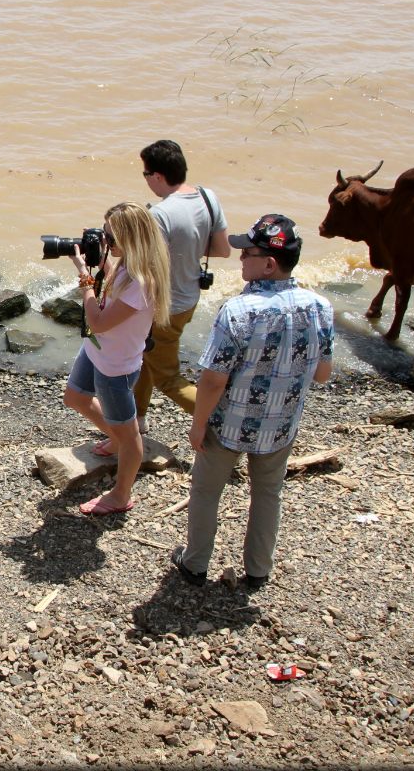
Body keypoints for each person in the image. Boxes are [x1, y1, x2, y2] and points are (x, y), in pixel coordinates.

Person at [172, 214, 333, 590]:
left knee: (206, 491)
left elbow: (213, 380)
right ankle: (258, 569)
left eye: (248, 253)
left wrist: (198, 424)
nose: (240, 257)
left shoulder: (238, 311)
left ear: (269, 263)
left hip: (228, 423)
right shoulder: (319, 308)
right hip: (281, 424)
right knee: (267, 494)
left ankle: (195, 564)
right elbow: (322, 373)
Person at [65, 202, 171, 516]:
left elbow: (97, 319)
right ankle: (115, 438)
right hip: (97, 350)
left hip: (115, 367)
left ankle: (121, 494)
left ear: (131, 238)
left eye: (110, 238)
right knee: (75, 397)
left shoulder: (142, 281)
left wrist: (84, 278)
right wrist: (99, 263)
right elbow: (111, 285)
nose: (106, 243)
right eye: (105, 236)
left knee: (131, 436)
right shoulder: (128, 264)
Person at [127, 139, 232, 442]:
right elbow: (223, 249)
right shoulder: (207, 197)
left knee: (168, 377)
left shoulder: (160, 214)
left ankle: (222, 422)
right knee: (146, 356)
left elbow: (145, 267)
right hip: (190, 299)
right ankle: (138, 418)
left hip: (164, 308)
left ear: (157, 176)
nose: (146, 180)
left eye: (146, 174)